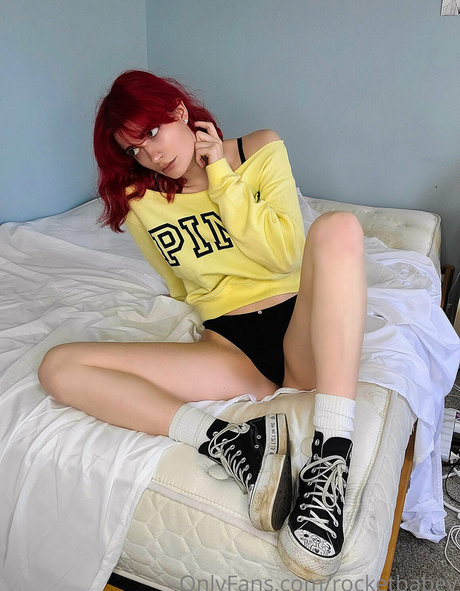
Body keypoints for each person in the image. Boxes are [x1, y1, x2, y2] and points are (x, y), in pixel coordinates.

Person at [38, 70, 366, 580]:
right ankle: (234, 443)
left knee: (338, 227)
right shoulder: (142, 198)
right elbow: (179, 284)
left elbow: (285, 254)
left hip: (296, 327)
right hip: (229, 348)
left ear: (178, 111)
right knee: (58, 367)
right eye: (134, 149)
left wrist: (222, 178)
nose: (150, 155)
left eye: (152, 133)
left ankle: (331, 457)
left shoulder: (260, 149)